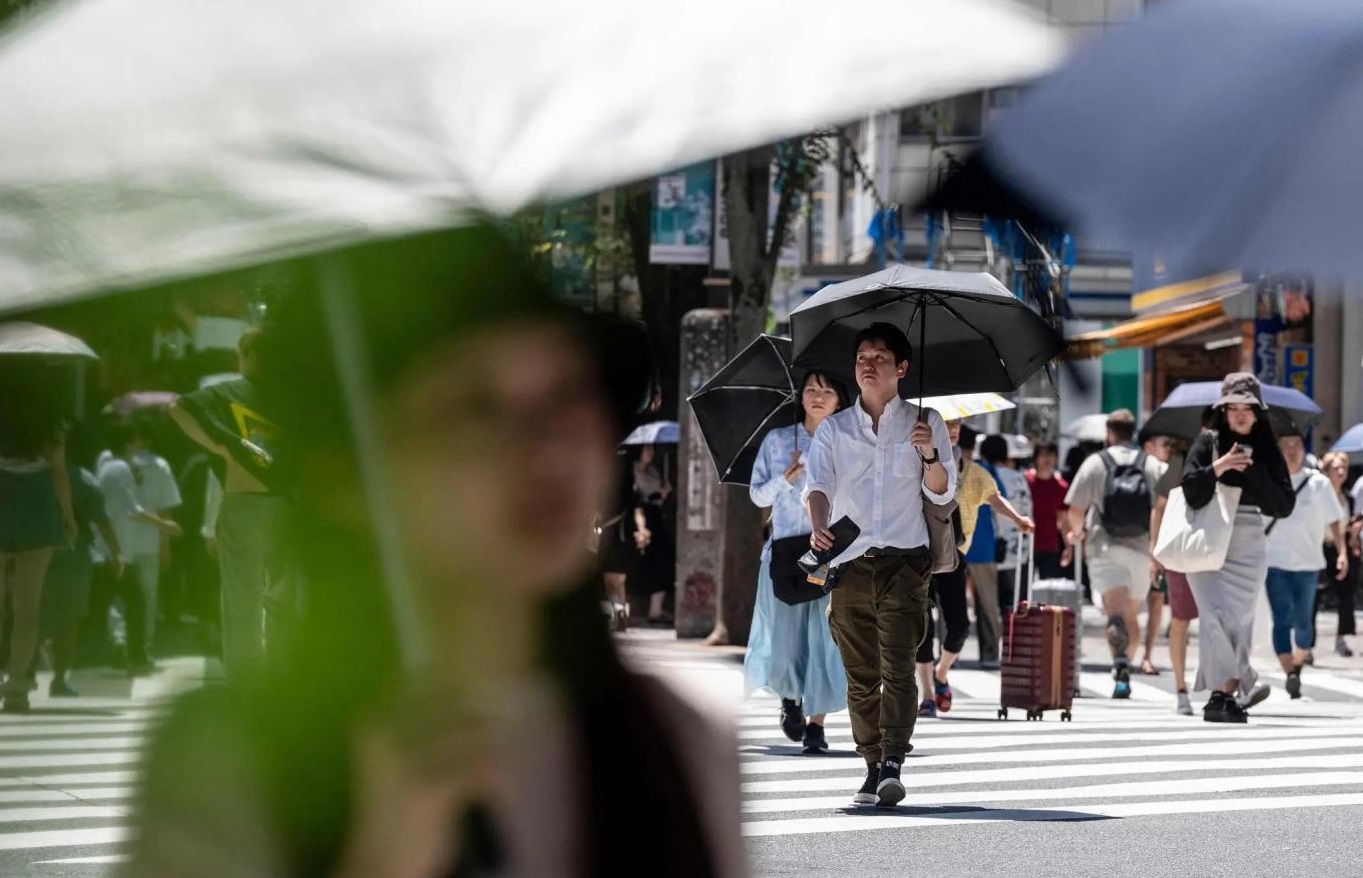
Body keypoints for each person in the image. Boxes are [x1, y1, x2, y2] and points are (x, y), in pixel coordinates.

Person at [128, 227, 744, 878]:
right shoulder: (223, 763)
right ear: (347, 478)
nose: (547, 450)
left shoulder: (677, 740)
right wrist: (382, 858)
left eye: (565, 391)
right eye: (474, 408)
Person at [804, 322, 957, 808]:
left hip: (905, 562)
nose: (868, 365)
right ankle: (871, 762)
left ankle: (893, 761)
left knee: (898, 665)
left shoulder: (926, 421)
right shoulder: (834, 428)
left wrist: (928, 453)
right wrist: (818, 525)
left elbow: (944, 491)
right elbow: (818, 484)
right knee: (860, 673)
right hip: (847, 563)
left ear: (902, 368)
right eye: (862, 358)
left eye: (879, 357)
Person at [170, 327, 287, 678]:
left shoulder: (230, 391)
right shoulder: (293, 395)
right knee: (283, 596)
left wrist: (220, 446)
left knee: (242, 602)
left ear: (248, 354)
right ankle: (286, 679)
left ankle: (246, 686)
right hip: (289, 506)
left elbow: (179, 409)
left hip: (244, 500)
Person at [744, 371, 849, 753]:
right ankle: (790, 700)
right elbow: (757, 497)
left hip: (829, 555)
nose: (818, 396)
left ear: (840, 400)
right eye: (810, 389)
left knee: (826, 639)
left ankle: (816, 725)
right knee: (787, 642)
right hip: (785, 555)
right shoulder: (776, 441)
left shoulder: (846, 441)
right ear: (800, 396)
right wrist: (784, 479)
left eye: (827, 390)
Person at [1182, 373, 1295, 723]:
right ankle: (1230, 689)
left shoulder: (1266, 449)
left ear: (1257, 411)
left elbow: (1284, 504)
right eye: (1233, 407)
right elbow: (1189, 488)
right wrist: (1219, 467)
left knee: (1238, 619)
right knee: (1213, 615)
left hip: (1247, 535)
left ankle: (1223, 696)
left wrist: (1253, 472)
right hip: (1207, 536)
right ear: (1223, 410)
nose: (1240, 414)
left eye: (1247, 407)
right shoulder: (1208, 441)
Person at [916, 418, 1031, 719]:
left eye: (957, 425)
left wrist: (1018, 519)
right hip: (916, 552)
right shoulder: (915, 464)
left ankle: (942, 673)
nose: (952, 429)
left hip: (954, 555)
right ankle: (927, 694)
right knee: (922, 626)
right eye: (946, 423)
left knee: (959, 626)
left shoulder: (973, 472)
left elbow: (995, 499)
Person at [1063, 409, 1166, 699]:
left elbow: (1075, 510)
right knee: (1132, 614)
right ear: (1132, 433)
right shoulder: (1152, 465)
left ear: (1109, 432)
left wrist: (1077, 533)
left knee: (1115, 612)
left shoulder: (1095, 463)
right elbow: (1165, 506)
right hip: (1142, 551)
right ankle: (1126, 665)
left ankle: (1118, 663)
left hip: (1104, 547)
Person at [0, 371, 77, 713]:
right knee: (27, 608)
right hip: (37, 503)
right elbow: (59, 471)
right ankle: (17, 686)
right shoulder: (50, 420)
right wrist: (68, 516)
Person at [1264, 432, 1347, 699]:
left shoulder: (1319, 484)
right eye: (1285, 445)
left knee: (1303, 624)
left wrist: (1342, 552)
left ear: (1304, 450)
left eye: (1296, 445)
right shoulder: (1269, 481)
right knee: (1281, 620)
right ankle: (1289, 673)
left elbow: (1335, 520)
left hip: (1309, 565)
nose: (1291, 450)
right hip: (1274, 563)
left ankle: (1297, 666)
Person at [96, 421, 182, 676]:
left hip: (116, 544)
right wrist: (165, 526)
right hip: (119, 545)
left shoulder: (106, 464)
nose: (139, 446)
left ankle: (128, 647)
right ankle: (137, 653)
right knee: (138, 600)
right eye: (135, 442)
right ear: (128, 444)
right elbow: (132, 509)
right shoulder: (121, 466)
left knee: (125, 598)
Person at [40, 449, 122, 698]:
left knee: (32, 616)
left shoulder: (26, 477)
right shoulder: (83, 479)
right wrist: (116, 552)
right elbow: (101, 519)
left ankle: (28, 673)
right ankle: (58, 676)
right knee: (69, 619)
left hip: (35, 556)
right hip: (73, 558)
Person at [961, 427, 1004, 667]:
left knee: (950, 601)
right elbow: (999, 499)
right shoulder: (984, 471)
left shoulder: (942, 466)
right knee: (988, 603)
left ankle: (949, 653)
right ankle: (990, 653)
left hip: (953, 546)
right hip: (983, 545)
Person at [1137, 428, 1173, 676]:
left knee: (1155, 602)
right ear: (1148, 445)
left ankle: (1143, 655)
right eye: (1164, 443)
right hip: (1150, 546)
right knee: (1154, 603)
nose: (1168, 448)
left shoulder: (1165, 470)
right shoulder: (1161, 470)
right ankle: (1142, 656)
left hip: (1144, 543)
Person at [1318, 451, 1361, 658]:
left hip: (1342, 549)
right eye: (1336, 468)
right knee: (1314, 595)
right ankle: (1306, 645)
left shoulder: (1349, 498)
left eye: (1344, 467)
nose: (1341, 472)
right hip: (1321, 548)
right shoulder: (1319, 495)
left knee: (1346, 595)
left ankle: (1341, 638)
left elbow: (1349, 530)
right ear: (1326, 471)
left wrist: (1354, 534)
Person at [986, 435, 1035, 612]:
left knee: (995, 604)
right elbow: (1028, 509)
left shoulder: (985, 476)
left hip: (993, 549)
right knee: (1016, 603)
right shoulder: (1019, 477)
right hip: (1019, 547)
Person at [630, 442, 675, 626]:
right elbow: (638, 495)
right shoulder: (633, 471)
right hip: (638, 516)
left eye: (652, 449)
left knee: (663, 560)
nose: (650, 453)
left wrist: (664, 491)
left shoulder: (654, 471)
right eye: (646, 449)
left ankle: (655, 609)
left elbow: (660, 493)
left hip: (656, 517)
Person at [1026, 442, 1069, 581]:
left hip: (1050, 544)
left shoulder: (1061, 486)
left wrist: (1068, 546)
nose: (1047, 459)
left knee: (1047, 591)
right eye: (1043, 455)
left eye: (1051, 455)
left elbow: (1063, 518)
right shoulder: (1025, 480)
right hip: (1027, 542)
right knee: (1024, 590)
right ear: (1036, 458)